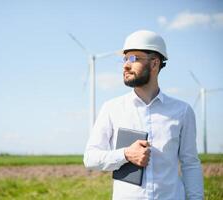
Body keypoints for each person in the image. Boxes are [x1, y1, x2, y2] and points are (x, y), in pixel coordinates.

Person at [83, 30, 204, 200]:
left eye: (134, 58)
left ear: (154, 64)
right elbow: (90, 158)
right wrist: (125, 154)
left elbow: (190, 164)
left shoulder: (182, 111)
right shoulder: (111, 108)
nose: (126, 65)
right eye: (125, 59)